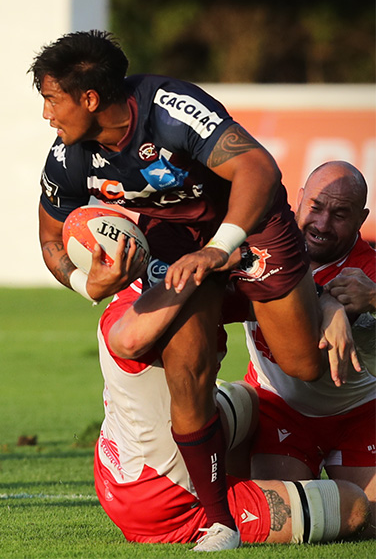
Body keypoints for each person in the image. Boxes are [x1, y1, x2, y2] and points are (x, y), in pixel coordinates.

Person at [29, 30, 324, 550]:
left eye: (53, 99)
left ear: (90, 99)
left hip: (249, 228)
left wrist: (222, 246)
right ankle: (220, 521)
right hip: (177, 244)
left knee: (302, 367)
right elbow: (51, 238)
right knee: (188, 372)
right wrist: (83, 281)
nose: (48, 115)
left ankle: (327, 297)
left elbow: (257, 166)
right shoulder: (69, 157)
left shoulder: (170, 110)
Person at [93, 249, 371, 549]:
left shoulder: (182, 286)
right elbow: (127, 340)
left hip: (119, 468)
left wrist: (327, 303)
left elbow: (274, 305)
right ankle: (225, 512)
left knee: (249, 400)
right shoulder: (150, 315)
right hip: (164, 500)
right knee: (354, 506)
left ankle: (240, 486)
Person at [243, 161, 375, 535]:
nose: (321, 224)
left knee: (367, 520)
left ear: (362, 218)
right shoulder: (263, 239)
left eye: (339, 215)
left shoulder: (369, 272)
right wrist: (327, 304)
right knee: (281, 522)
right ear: (299, 200)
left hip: (361, 415)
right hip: (279, 409)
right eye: (316, 207)